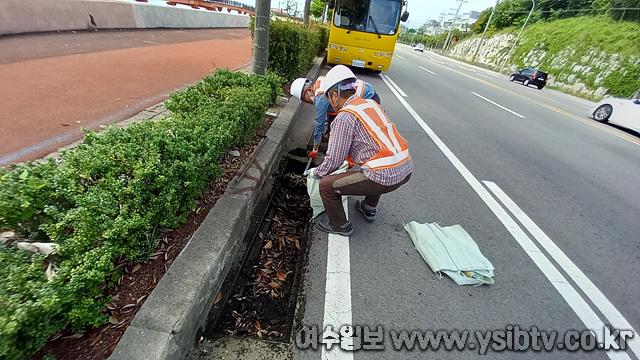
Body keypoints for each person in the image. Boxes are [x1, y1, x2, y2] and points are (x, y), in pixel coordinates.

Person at [310, 65, 413, 236]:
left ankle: (340, 226)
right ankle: (369, 208)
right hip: (406, 169)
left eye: (329, 100)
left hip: (385, 176)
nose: (331, 106)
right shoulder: (371, 104)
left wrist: (316, 173)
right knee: (375, 167)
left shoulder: (344, 117)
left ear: (334, 95)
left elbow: (334, 160)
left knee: (326, 186)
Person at [290, 75, 380, 158]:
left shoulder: (320, 97)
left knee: (355, 131)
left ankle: (351, 157)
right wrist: (330, 128)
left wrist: (315, 149)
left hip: (368, 99)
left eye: (304, 99)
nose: (306, 102)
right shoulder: (320, 81)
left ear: (308, 90)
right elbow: (331, 109)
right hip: (365, 89)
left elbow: (319, 124)